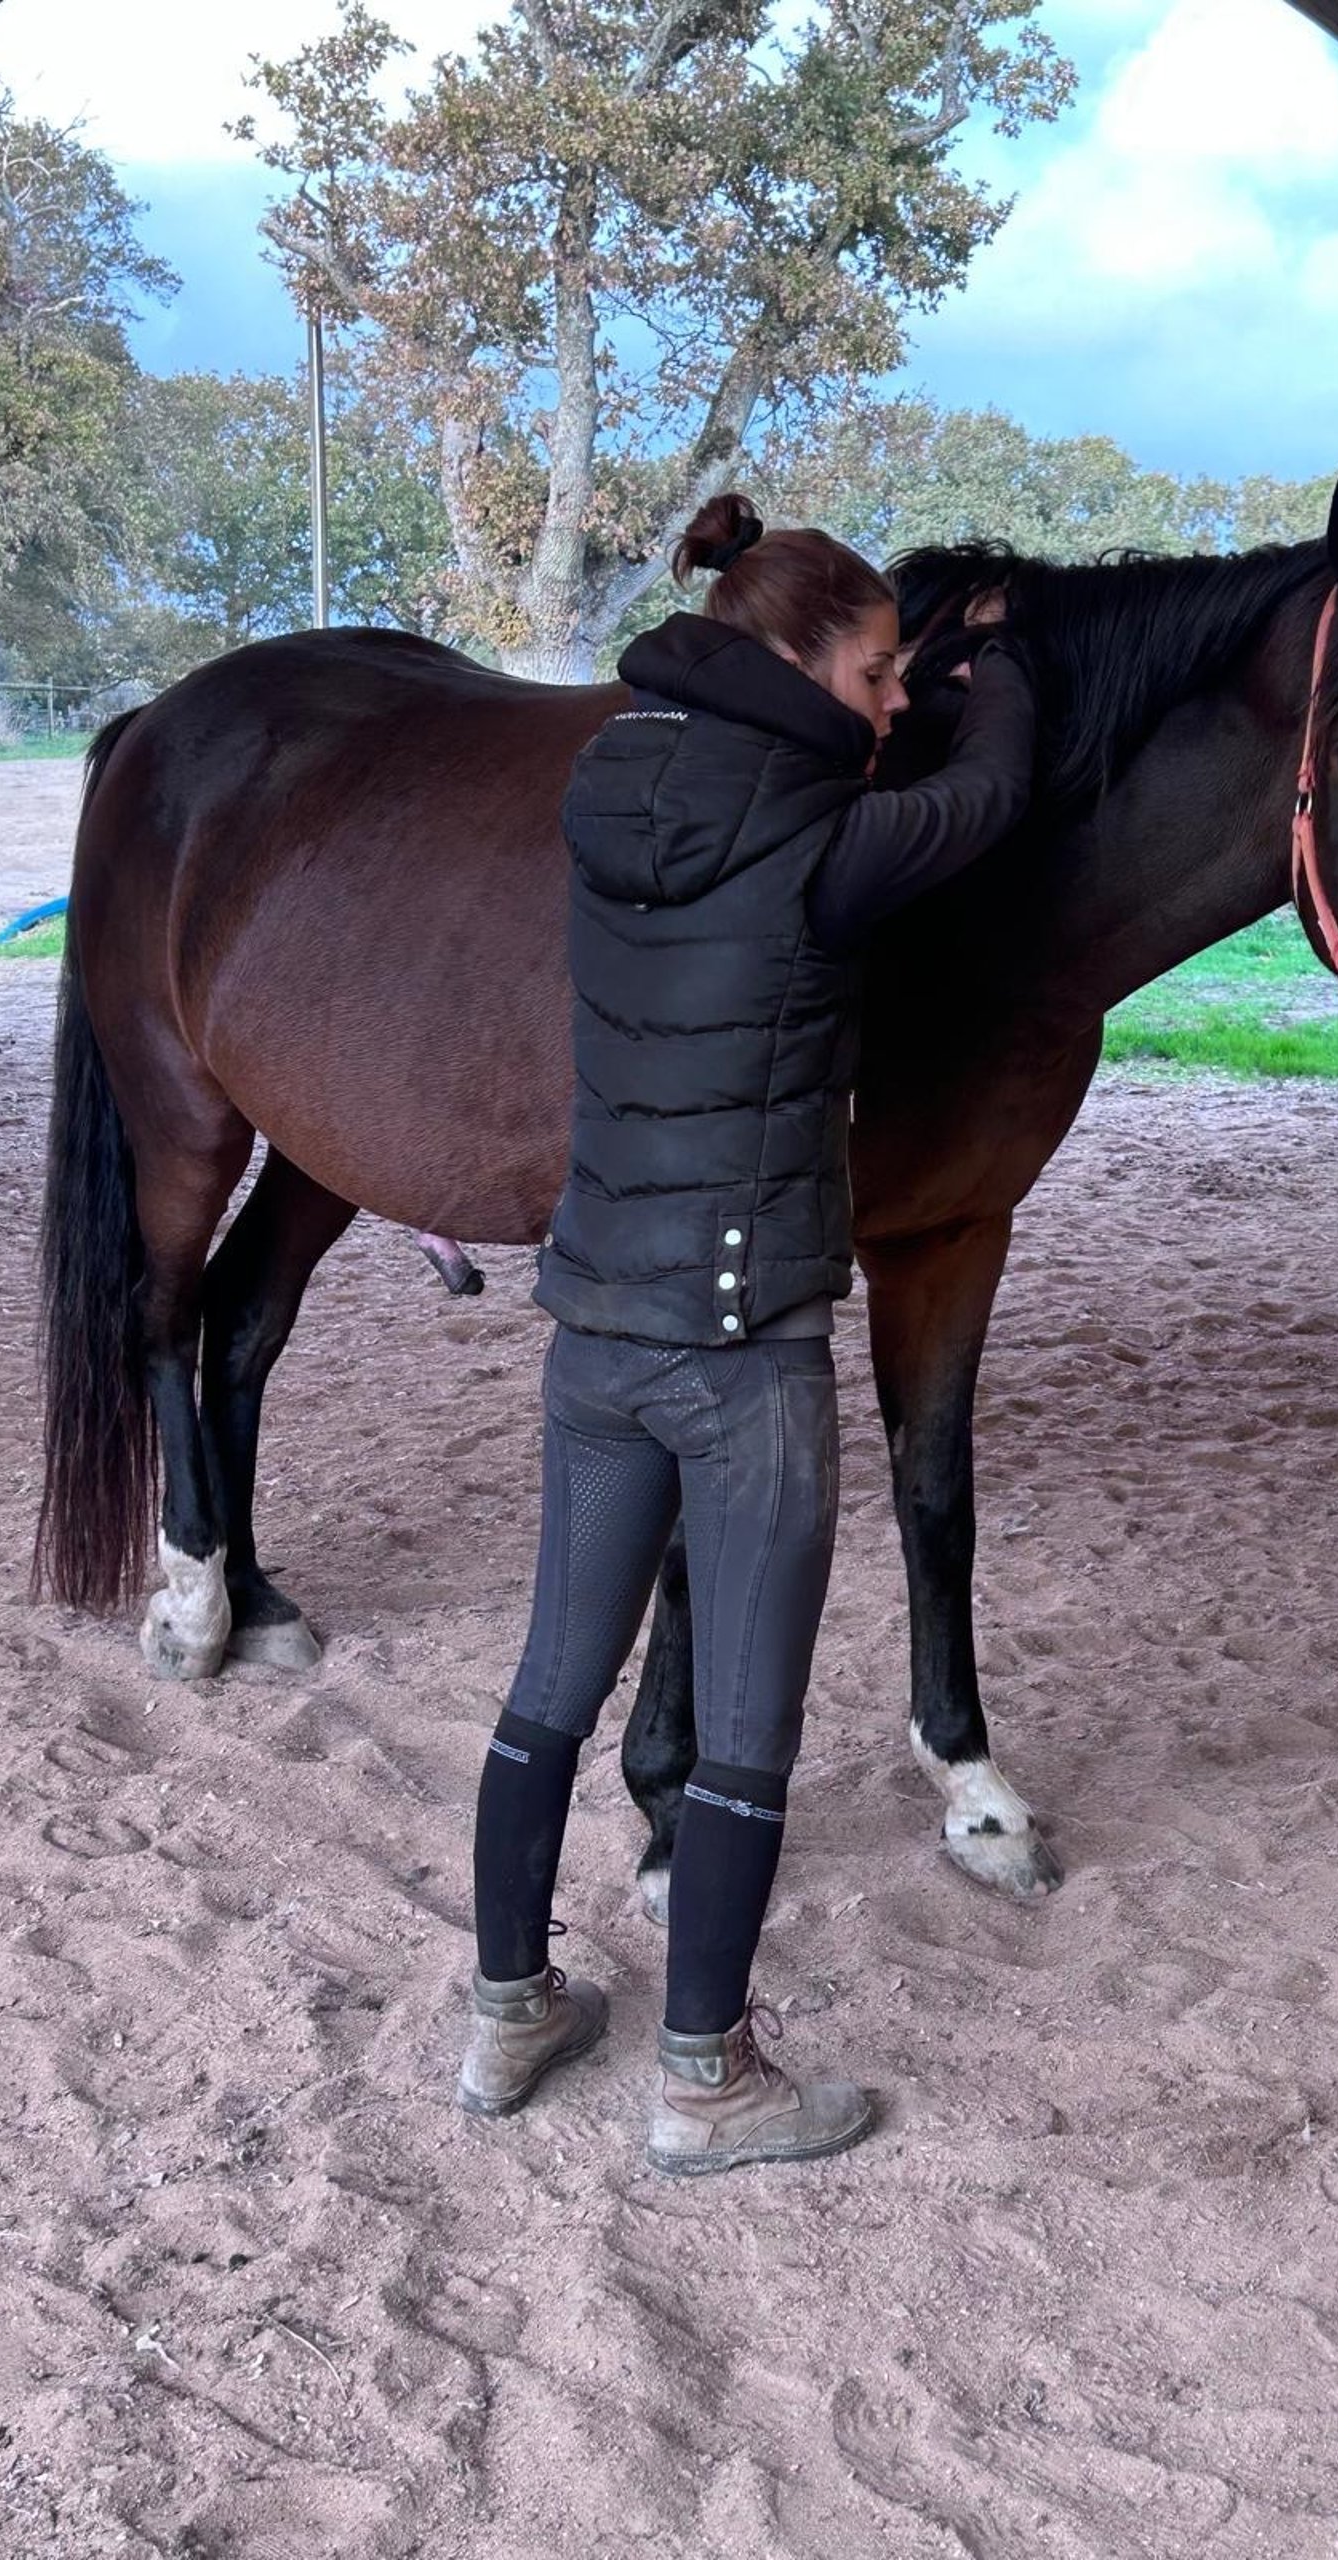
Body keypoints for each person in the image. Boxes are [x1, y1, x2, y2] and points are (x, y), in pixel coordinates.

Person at [457, 493, 1037, 2173]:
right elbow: (990, 796)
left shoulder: (600, 787)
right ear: (802, 664)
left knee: (545, 1697)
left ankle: (509, 2012)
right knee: (744, 1738)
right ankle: (706, 2081)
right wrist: (985, 670)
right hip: (745, 1348)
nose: (885, 706)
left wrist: (879, 675)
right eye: (871, 678)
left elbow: (773, 751)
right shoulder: (826, 849)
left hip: (593, 1326)